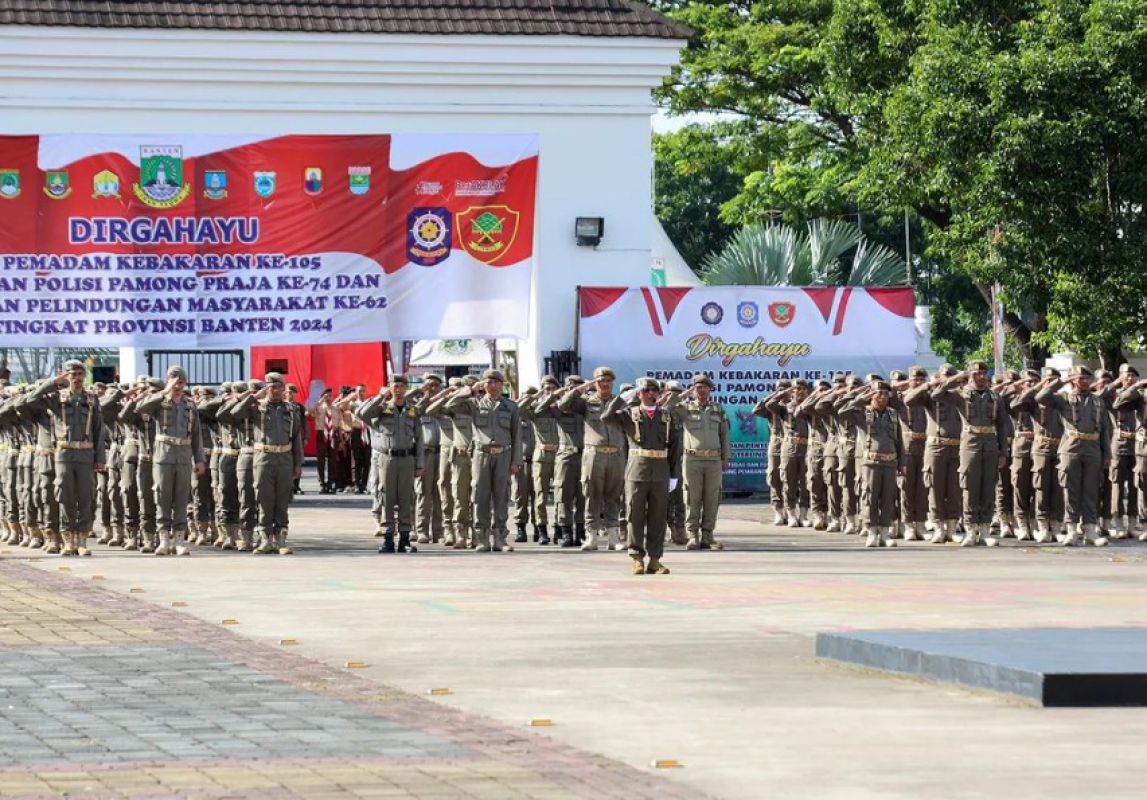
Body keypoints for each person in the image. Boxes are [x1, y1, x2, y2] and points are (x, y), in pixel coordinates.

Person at [25, 361, 106, 556]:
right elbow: (28, 401)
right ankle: (68, 539)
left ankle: (83, 540)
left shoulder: (92, 399)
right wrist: (52, 382)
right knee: (65, 496)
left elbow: (98, 430)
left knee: (86, 497)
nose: (77, 378)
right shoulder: (56, 398)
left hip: (86, 453)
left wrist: (100, 458)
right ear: (66, 376)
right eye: (73, 374)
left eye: (80, 374)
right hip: (64, 453)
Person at [931, 362, 1008, 547]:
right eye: (977, 373)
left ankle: (985, 529)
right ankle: (971, 529)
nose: (981, 377)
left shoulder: (995, 397)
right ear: (970, 375)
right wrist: (956, 378)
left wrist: (1003, 451)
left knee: (988, 487)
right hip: (969, 445)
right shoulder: (961, 395)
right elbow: (936, 395)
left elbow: (1002, 426)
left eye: (984, 373)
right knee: (970, 488)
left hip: (990, 445)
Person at [444, 369, 522, 553]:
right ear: (483, 384)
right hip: (481, 454)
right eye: (488, 382)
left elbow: (516, 434)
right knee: (480, 496)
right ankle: (482, 538)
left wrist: (515, 461)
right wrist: (469, 390)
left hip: (503, 454)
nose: (492, 385)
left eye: (496, 382)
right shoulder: (474, 404)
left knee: (501, 496)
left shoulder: (510, 407)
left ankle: (500, 538)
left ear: (502, 385)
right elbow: (450, 405)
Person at [228, 373, 304, 555]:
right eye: (272, 387)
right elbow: (234, 413)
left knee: (282, 499)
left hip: (284, 458)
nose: (277, 391)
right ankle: (265, 539)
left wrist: (298, 463)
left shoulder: (290, 410)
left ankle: (281, 540)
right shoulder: (256, 408)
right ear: (266, 388)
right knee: (264, 499)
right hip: (263, 458)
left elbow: (296, 438)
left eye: (280, 387)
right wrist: (253, 397)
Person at [1036, 366, 1111, 546]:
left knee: (1091, 490)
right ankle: (1071, 529)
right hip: (1071, 448)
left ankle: (1090, 529)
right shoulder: (1063, 399)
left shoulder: (1098, 401)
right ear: (1072, 380)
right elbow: (1041, 397)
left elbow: (1105, 429)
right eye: (1079, 378)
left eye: (1086, 377)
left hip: (1093, 449)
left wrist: (1107, 453)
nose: (1084, 381)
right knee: (1071, 490)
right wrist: (1061, 381)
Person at [134, 366, 205, 556]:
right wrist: (163, 392)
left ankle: (179, 540)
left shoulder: (190, 405)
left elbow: (196, 434)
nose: (178, 387)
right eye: (174, 382)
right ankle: (164, 539)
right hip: (163, 455)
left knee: (182, 498)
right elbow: (139, 408)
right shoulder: (159, 402)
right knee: (162, 497)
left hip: (183, 455)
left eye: (181, 383)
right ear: (168, 382)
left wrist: (199, 459)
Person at [613, 376, 681, 575]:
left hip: (660, 472)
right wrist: (625, 396)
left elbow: (675, 449)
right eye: (646, 391)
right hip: (637, 472)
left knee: (658, 517)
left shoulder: (667, 416)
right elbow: (606, 416)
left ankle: (654, 559)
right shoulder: (629, 415)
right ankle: (636, 558)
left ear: (659, 394)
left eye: (654, 391)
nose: (651, 394)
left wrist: (673, 476)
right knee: (635, 515)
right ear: (639, 393)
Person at [556, 367, 629, 552]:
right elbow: (564, 405)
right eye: (601, 380)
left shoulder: (619, 402)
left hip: (616, 453)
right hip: (594, 453)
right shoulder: (586, 402)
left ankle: (613, 537)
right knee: (592, 494)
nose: (605, 384)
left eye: (608, 380)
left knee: (614, 495)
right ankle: (592, 537)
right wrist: (583, 387)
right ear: (594, 383)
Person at [356, 375, 424, 554]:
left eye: (402, 386)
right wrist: (380, 397)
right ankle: (388, 538)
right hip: (387, 459)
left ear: (406, 388)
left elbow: (419, 438)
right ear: (389, 388)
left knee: (406, 498)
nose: (398, 390)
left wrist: (420, 463)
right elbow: (361, 414)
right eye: (395, 386)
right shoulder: (381, 409)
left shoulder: (412, 411)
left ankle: (404, 539)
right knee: (387, 497)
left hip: (407, 459)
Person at [839, 381, 904, 548]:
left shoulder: (893, 414)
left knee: (888, 498)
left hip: (890, 462)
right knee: (870, 497)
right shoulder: (862, 412)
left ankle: (884, 532)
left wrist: (901, 463)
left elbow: (899, 441)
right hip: (870, 463)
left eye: (885, 393)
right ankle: (872, 531)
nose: (882, 397)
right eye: (878, 393)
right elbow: (842, 412)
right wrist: (863, 398)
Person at [669, 373, 730, 550]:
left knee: (712, 498)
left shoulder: (718, 409)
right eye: (697, 386)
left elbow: (724, 434)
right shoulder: (685, 408)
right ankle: (693, 535)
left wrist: (725, 457)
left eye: (704, 386)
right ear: (693, 389)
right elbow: (667, 408)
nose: (701, 389)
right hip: (692, 459)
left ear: (710, 389)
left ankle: (708, 536)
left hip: (713, 460)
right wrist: (682, 395)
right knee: (692, 497)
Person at [903, 364, 962, 544]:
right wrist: (928, 385)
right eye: (944, 377)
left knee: (954, 489)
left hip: (956, 447)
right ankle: (938, 527)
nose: (947, 380)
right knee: (935, 489)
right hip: (935, 447)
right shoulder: (929, 397)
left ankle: (952, 528)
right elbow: (908, 399)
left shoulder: (961, 396)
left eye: (951, 377)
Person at [520, 376, 561, 545]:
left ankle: (559, 528)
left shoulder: (563, 410)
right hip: (541, 456)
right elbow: (518, 409)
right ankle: (542, 530)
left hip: (559, 456)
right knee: (540, 496)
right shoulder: (537, 409)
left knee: (561, 496)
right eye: (546, 389)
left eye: (552, 389)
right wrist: (536, 396)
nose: (549, 392)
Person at [891, 367, 928, 541]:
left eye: (921, 379)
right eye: (915, 379)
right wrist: (908, 383)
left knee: (922, 487)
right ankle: (907, 525)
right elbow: (888, 388)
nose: (918, 383)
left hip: (924, 447)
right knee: (906, 487)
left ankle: (920, 523)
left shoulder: (927, 399)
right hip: (906, 447)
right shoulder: (899, 399)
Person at [412, 374, 445, 545]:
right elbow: (414, 411)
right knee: (423, 494)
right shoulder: (418, 405)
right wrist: (424, 395)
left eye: (437, 385)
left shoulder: (444, 406)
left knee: (440, 494)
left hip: (442, 454)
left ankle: (438, 531)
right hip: (425, 454)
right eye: (430, 385)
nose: (433, 388)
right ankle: (422, 530)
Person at [753, 379, 791, 524]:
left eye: (785, 389)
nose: (783, 392)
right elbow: (756, 410)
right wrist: (775, 395)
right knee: (774, 476)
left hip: (791, 443)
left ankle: (790, 509)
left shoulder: (793, 406)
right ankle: (778, 510)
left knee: (790, 477)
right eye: (779, 389)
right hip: (776, 443)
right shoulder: (770, 407)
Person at [512, 386, 538, 543]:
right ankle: (520, 528)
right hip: (522, 461)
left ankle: (538, 528)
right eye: (526, 396)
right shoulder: (517, 414)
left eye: (532, 396)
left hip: (538, 462)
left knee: (538, 497)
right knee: (520, 496)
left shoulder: (540, 413)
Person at [307, 387, 338, 494]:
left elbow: (339, 421)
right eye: (327, 396)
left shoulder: (335, 408)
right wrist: (319, 402)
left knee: (332, 459)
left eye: (330, 396)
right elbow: (307, 413)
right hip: (321, 434)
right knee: (321, 460)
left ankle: (330, 482)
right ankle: (322, 484)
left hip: (333, 434)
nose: (329, 398)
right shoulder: (319, 408)